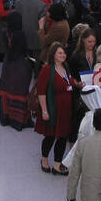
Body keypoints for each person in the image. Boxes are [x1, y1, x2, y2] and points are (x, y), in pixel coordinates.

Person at [35, 40, 77, 174]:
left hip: (65, 110)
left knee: (63, 137)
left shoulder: (66, 67)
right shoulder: (47, 69)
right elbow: (41, 91)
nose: (63, 55)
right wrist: (44, 110)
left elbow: (69, 82)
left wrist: (77, 84)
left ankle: (58, 164)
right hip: (53, 109)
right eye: (59, 53)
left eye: (64, 53)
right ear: (53, 54)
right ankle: (44, 159)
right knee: (50, 136)